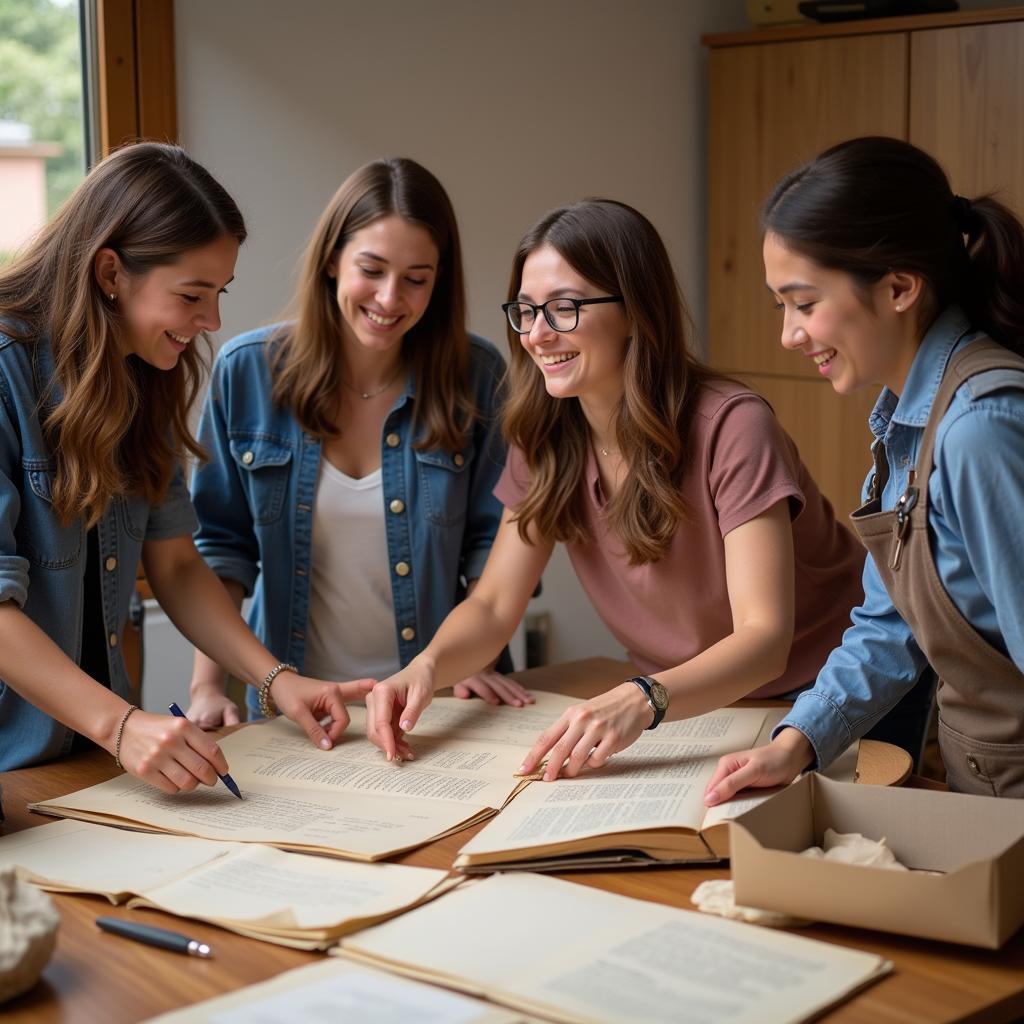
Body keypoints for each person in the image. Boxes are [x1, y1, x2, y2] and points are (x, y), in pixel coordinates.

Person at [365, 197, 866, 775]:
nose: (537, 335)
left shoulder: (732, 426)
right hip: (684, 712)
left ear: (634, 311)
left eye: (565, 308)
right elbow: (495, 603)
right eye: (526, 311)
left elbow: (765, 638)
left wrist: (642, 697)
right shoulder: (545, 433)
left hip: (818, 703)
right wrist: (426, 666)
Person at [0, 142, 372, 792]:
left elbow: (174, 563)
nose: (212, 321)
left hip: (82, 759)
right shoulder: (5, 371)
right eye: (193, 294)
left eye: (219, 292)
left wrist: (277, 680)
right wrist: (121, 725)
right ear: (111, 272)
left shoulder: (144, 378)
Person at [705, 136, 1024, 804]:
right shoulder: (905, 420)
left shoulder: (978, 431)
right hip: (985, 798)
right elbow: (889, 626)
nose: (789, 334)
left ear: (900, 287)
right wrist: (793, 744)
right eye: (780, 306)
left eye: (804, 303)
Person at [187, 157, 530, 729]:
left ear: (438, 281)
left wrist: (478, 656)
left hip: (439, 705)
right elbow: (220, 550)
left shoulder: (477, 374)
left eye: (416, 279)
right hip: (292, 708)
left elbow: (495, 554)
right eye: (371, 269)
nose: (390, 298)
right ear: (331, 261)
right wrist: (205, 687)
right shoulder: (246, 372)